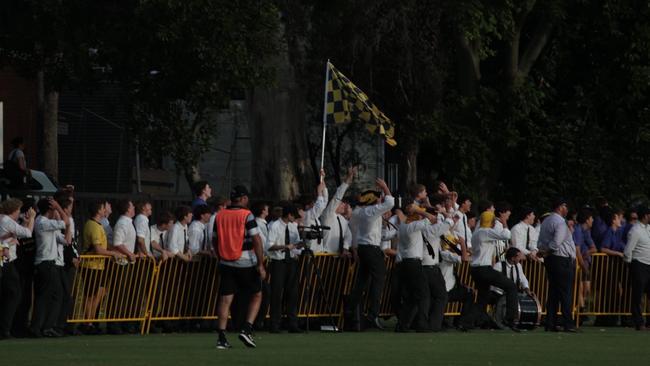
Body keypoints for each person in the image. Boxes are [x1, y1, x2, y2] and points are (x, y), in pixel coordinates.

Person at [213, 185, 265, 349]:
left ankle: (221, 337)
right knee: (257, 294)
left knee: (225, 299)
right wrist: (260, 264)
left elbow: (214, 239)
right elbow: (256, 239)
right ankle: (247, 328)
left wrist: (220, 255)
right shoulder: (246, 215)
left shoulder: (220, 215)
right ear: (243, 199)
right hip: (245, 262)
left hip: (225, 262)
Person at [345, 178, 395, 330]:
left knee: (361, 282)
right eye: (378, 198)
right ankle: (373, 314)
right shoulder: (370, 211)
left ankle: (350, 311)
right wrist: (386, 187)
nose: (380, 200)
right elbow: (390, 203)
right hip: (372, 249)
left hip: (363, 248)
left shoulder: (358, 212)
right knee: (379, 279)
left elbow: (378, 233)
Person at [79, 200, 124, 335]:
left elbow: (103, 246)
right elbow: (98, 249)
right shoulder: (92, 225)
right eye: (104, 208)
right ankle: (87, 323)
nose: (106, 210)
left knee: (96, 295)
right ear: (99, 210)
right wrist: (114, 253)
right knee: (90, 296)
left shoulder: (98, 225)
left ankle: (91, 322)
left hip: (98, 265)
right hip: (91, 265)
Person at [470, 211, 518, 331]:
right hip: (484, 268)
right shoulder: (486, 232)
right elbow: (506, 235)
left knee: (483, 297)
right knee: (511, 286)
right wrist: (504, 222)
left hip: (475, 269)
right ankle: (510, 319)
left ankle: (466, 322)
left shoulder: (476, 232)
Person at [30, 198, 71, 337]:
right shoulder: (43, 222)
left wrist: (68, 225)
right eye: (53, 210)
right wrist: (59, 207)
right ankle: (44, 327)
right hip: (46, 263)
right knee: (51, 296)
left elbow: (66, 241)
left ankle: (41, 326)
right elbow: (65, 221)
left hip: (48, 263)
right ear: (50, 210)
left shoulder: (47, 224)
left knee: (48, 296)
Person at [393, 204, 436, 332]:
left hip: (405, 263)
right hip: (414, 263)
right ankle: (421, 324)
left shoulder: (403, 226)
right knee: (424, 294)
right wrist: (418, 210)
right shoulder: (413, 226)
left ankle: (403, 324)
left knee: (411, 296)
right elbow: (432, 218)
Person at [537, 198, 577, 332]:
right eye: (565, 206)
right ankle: (568, 324)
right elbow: (556, 244)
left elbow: (542, 241)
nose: (567, 209)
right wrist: (547, 251)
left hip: (551, 260)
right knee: (565, 293)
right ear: (560, 207)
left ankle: (550, 323)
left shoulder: (546, 221)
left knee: (554, 293)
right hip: (561, 259)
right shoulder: (560, 223)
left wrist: (544, 252)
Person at [0, 198, 35, 339]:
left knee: (9, 293)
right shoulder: (6, 221)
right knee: (14, 294)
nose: (20, 212)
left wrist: (12, 237)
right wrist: (31, 218)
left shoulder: (4, 220)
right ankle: (5, 329)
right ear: (14, 210)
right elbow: (27, 233)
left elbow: (14, 232)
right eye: (19, 210)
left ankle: (6, 327)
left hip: (6, 260)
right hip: (5, 261)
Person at [265, 204, 303, 333]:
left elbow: (296, 244)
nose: (295, 219)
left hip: (291, 261)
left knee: (293, 293)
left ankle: (293, 323)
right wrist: (285, 246)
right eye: (294, 216)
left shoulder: (293, 226)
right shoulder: (274, 226)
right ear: (289, 215)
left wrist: (301, 244)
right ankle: (275, 324)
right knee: (276, 293)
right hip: (278, 262)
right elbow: (269, 246)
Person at [421, 206, 457, 331]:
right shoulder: (432, 229)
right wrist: (443, 212)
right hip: (430, 267)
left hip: (421, 266)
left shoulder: (418, 227)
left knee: (426, 297)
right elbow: (450, 221)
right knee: (441, 296)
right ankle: (434, 325)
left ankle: (422, 324)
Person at [623, 206, 650, 330]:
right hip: (638, 264)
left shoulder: (648, 229)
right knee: (637, 295)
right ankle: (639, 322)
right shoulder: (635, 230)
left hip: (648, 265)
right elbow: (628, 250)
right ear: (645, 216)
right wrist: (629, 264)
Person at [319, 167, 355, 254]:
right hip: (326, 256)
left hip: (339, 257)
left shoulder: (342, 220)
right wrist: (346, 182)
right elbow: (336, 198)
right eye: (341, 203)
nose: (344, 205)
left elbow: (348, 235)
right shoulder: (328, 214)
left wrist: (345, 248)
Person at [297, 170, 328, 252]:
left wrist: (323, 180)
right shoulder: (307, 216)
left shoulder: (314, 216)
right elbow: (319, 207)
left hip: (319, 253)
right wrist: (319, 192)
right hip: (310, 254)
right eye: (313, 204)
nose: (315, 205)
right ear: (307, 206)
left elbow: (324, 202)